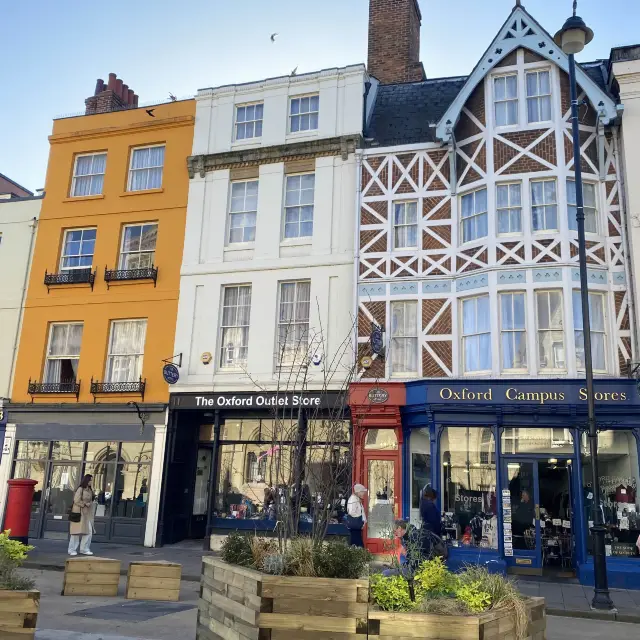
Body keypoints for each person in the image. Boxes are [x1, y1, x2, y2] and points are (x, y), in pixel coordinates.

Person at [68, 474, 95, 556]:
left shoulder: (90, 490)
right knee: (76, 532)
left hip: (87, 514)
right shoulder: (80, 489)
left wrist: (90, 503)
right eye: (90, 480)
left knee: (89, 532)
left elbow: (91, 499)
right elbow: (76, 500)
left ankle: (84, 549)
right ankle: (71, 549)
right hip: (79, 513)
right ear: (87, 480)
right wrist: (84, 504)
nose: (92, 482)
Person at [346, 483, 367, 548]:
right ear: (359, 492)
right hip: (355, 526)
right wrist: (360, 519)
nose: (364, 493)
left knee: (356, 544)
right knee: (358, 544)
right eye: (363, 492)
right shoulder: (353, 499)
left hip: (356, 526)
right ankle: (360, 556)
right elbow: (351, 512)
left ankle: (358, 555)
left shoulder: (356, 499)